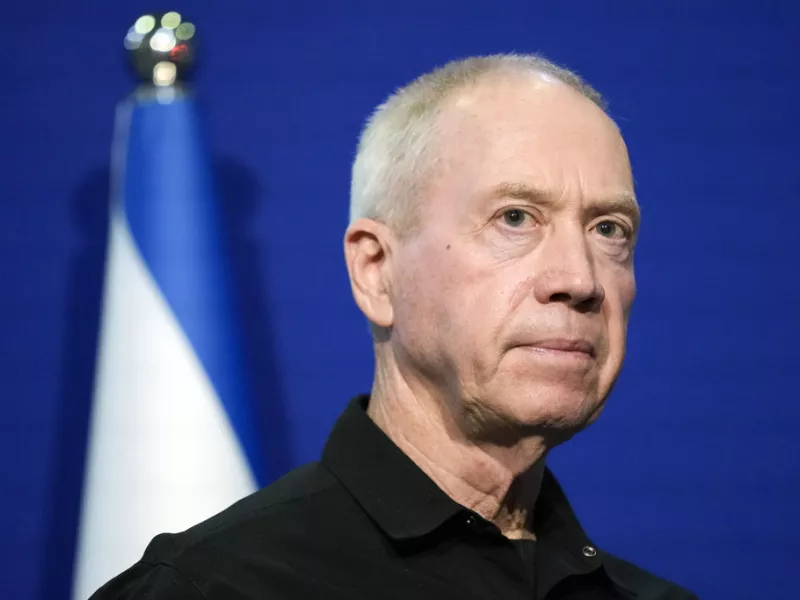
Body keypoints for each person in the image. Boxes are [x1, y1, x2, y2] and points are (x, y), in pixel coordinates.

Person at [91, 54, 698, 599]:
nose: (580, 279)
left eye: (609, 229)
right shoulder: (208, 589)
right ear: (377, 271)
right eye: (515, 217)